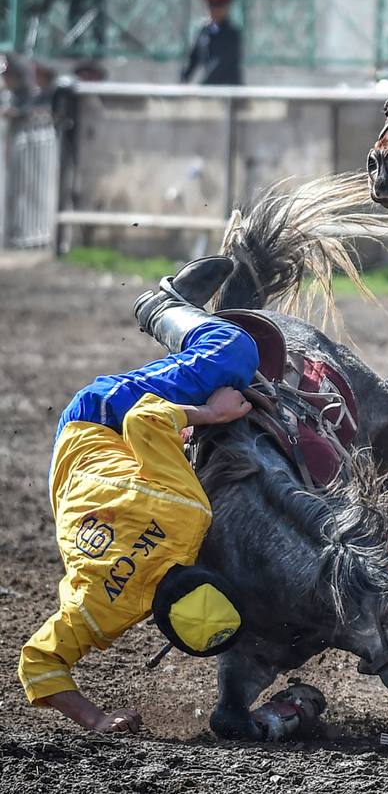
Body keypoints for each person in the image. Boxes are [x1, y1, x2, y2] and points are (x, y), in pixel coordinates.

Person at [18, 257, 259, 733]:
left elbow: (144, 420)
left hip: (98, 417)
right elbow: (38, 664)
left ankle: (162, 304)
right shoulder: (102, 611)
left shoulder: (187, 515)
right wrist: (97, 720)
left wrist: (211, 414)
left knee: (234, 350)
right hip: (69, 471)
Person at [181, 0, 243, 86]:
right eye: (211, 6)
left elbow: (222, 63)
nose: (214, 11)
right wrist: (184, 80)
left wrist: (202, 85)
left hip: (228, 89)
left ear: (226, 8)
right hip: (209, 88)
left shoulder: (232, 33)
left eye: (219, 6)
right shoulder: (203, 31)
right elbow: (193, 58)